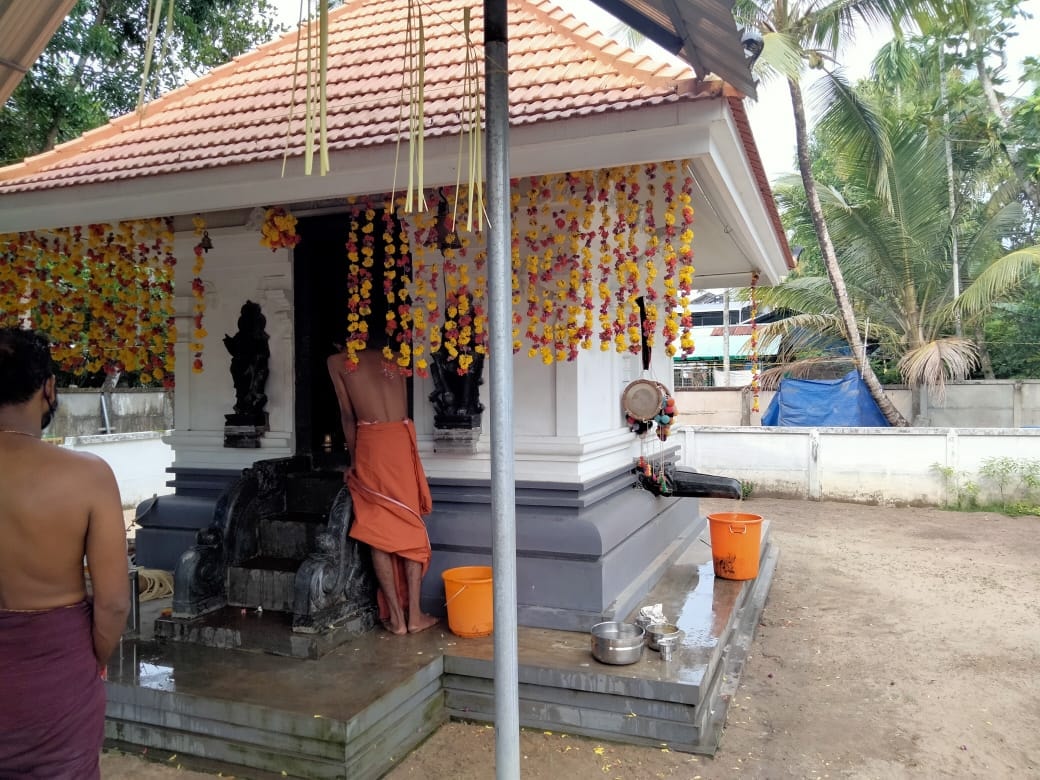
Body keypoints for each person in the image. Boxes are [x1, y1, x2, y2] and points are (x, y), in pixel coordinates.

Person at [0, 328, 130, 779]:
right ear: (48, 389)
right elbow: (113, 602)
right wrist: (91, 658)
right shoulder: (87, 476)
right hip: (56, 674)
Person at [327, 346, 439, 635]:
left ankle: (398, 621)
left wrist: (353, 460)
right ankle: (414, 615)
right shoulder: (398, 353)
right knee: (409, 525)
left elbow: (347, 417)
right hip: (400, 440)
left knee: (379, 532)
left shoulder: (338, 361)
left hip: (372, 444)